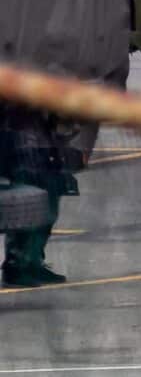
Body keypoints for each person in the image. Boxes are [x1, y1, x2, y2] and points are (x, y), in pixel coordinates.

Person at [0, 105, 77, 287]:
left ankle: (30, 260)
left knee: (47, 191)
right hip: (19, 129)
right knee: (30, 195)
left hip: (36, 127)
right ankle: (18, 262)